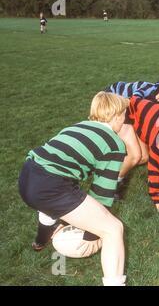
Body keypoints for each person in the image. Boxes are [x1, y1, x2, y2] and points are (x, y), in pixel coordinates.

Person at [18, 92, 128, 286]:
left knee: (51, 201)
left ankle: (40, 240)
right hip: (50, 186)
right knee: (113, 229)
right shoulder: (114, 143)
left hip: (27, 174)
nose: (125, 120)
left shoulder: (79, 125)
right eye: (125, 115)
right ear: (117, 115)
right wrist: (91, 235)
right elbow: (103, 192)